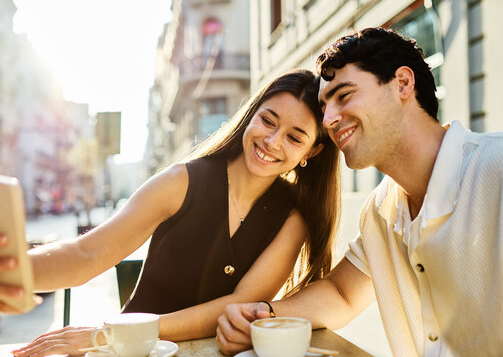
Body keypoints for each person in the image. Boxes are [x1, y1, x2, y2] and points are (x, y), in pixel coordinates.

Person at [11, 69, 342, 356]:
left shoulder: (293, 218)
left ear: (311, 152)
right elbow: (86, 253)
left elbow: (238, 306)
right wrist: (10, 272)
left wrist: (110, 332)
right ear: (251, 114)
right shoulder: (181, 181)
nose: (272, 141)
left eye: (294, 138)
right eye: (267, 120)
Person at [216, 27, 503, 357]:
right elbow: (342, 293)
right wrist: (262, 317)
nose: (330, 120)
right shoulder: (381, 208)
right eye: (324, 107)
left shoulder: (495, 170)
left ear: (403, 84)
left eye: (344, 95)